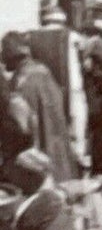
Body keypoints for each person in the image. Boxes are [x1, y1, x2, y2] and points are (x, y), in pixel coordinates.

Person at [3, 34, 78, 183]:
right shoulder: (45, 72)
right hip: (59, 156)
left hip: (39, 162)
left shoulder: (21, 82)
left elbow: (21, 127)